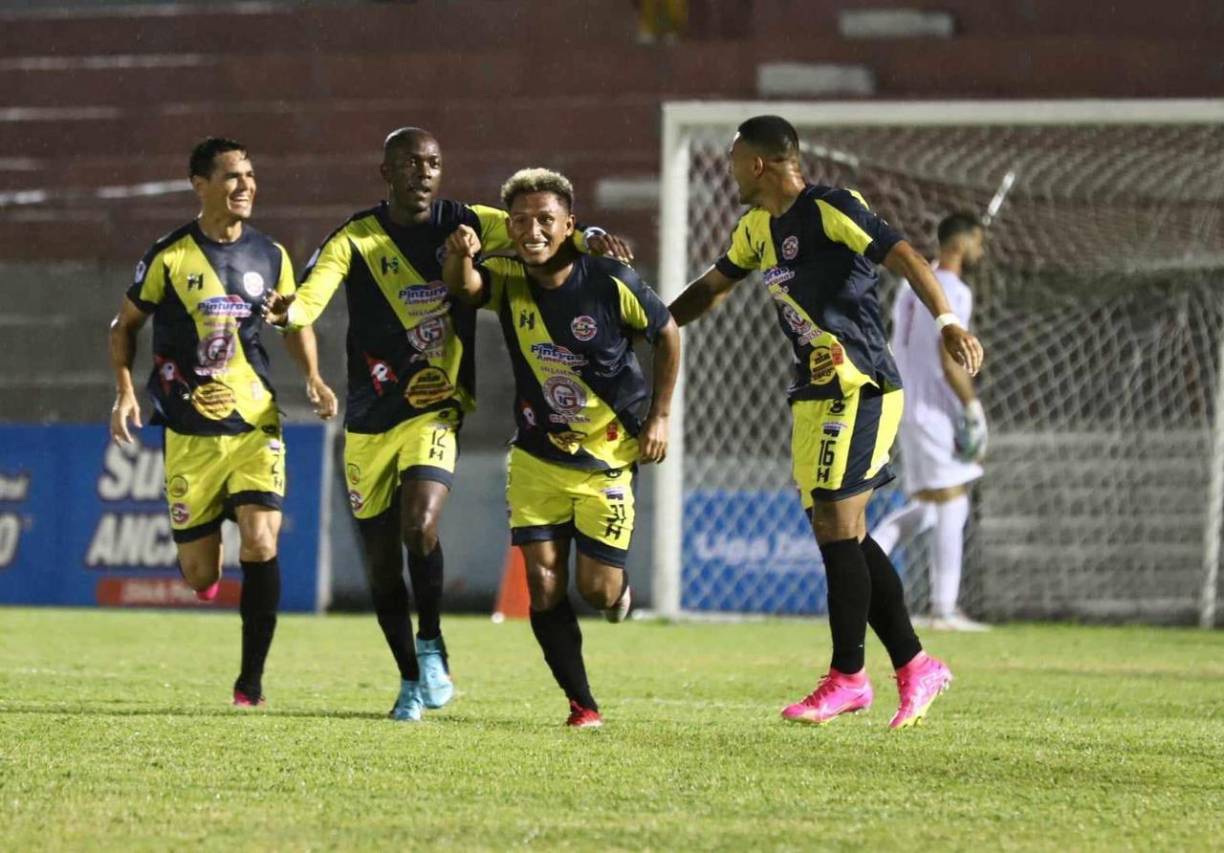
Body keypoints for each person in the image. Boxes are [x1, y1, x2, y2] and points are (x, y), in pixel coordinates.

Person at [266, 129, 631, 723]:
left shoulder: (466, 221)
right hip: (369, 418)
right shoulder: (356, 237)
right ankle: (410, 677)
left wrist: (590, 235)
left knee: (421, 524)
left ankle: (432, 641)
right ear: (386, 172)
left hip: (437, 406)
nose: (424, 173)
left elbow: (533, 226)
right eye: (411, 164)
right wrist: (291, 311)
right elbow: (312, 296)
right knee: (383, 565)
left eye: (434, 163)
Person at [668, 116, 984, 730]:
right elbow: (712, 289)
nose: (729, 171)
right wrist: (653, 324)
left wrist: (948, 323)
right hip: (813, 392)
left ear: (758, 164)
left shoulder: (831, 208)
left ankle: (848, 678)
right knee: (842, 533)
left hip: (860, 384)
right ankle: (916, 665)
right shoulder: (756, 229)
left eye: (734, 160)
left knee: (839, 527)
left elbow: (905, 254)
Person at [443, 168, 680, 728]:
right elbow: (464, 288)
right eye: (520, 221)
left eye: (545, 220)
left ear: (568, 224)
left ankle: (619, 594)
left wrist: (660, 417)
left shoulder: (609, 279)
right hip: (535, 456)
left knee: (595, 591)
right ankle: (582, 704)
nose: (532, 231)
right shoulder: (505, 276)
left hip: (607, 458)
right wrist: (459, 254)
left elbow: (668, 332)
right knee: (543, 584)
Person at [108, 137, 338, 708]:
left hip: (255, 423)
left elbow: (295, 319)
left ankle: (250, 683)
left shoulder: (272, 254)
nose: (246, 186)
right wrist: (125, 392)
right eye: (233, 176)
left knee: (261, 543)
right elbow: (124, 326)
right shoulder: (170, 255)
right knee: (196, 573)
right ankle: (203, 576)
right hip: (189, 432)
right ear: (200, 184)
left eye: (251, 175)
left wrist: (312, 376)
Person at [873, 213, 989, 631]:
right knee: (952, 501)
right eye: (978, 241)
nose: (982, 250)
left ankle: (865, 562)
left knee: (926, 507)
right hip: (931, 408)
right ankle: (943, 609)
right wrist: (971, 407)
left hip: (906, 401)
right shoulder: (953, 290)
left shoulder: (911, 284)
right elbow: (948, 355)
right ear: (960, 244)